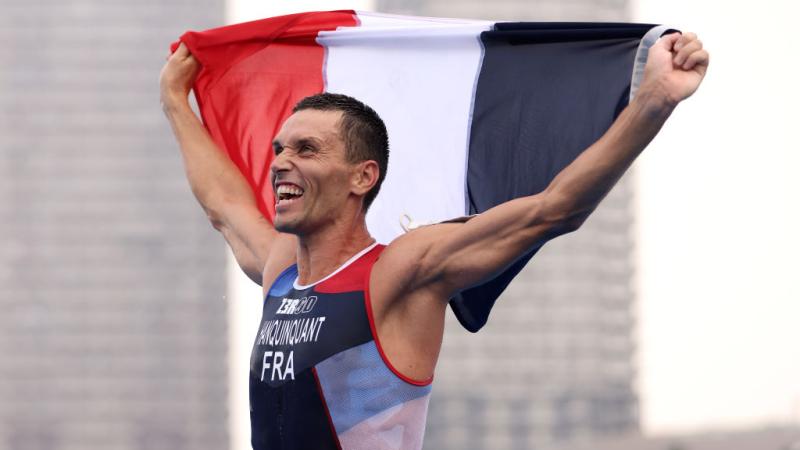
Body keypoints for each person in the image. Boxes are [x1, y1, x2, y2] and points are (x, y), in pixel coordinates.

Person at [160, 31, 708, 450]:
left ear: (362, 177)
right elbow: (224, 205)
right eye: (279, 148)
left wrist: (654, 101)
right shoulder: (280, 269)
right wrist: (175, 103)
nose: (279, 163)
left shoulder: (404, 268)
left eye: (305, 150)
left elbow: (552, 209)